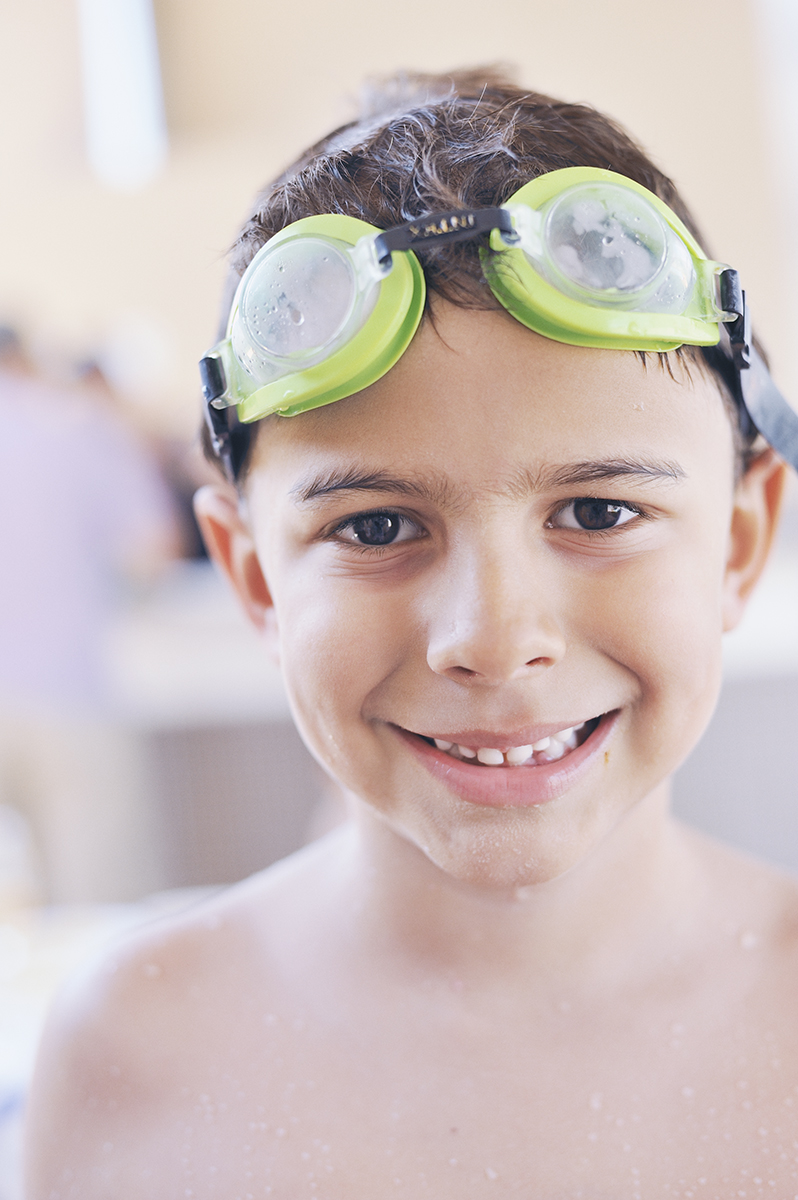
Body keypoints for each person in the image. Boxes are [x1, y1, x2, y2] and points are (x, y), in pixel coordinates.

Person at [23, 69, 798, 1198]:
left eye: (598, 513)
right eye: (377, 526)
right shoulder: (130, 1057)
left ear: (739, 542)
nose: (493, 637)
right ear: (255, 578)